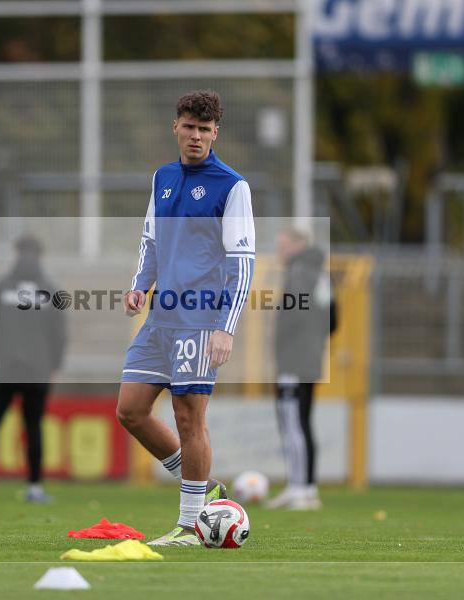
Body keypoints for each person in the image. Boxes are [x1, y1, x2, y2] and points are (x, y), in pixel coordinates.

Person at [116, 90, 256, 546]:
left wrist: (225, 327)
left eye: (204, 129)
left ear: (216, 133)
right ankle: (204, 490)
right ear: (175, 127)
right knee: (131, 411)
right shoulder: (162, 178)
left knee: (188, 417)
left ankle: (192, 523)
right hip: (160, 318)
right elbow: (151, 240)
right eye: (189, 127)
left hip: (201, 319)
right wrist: (140, 285)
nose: (196, 136)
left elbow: (243, 262)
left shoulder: (232, 186)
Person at [0, 235, 67, 502]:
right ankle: (34, 486)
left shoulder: (0, 287)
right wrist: (55, 365)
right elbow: (58, 333)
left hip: (4, 366)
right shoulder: (50, 290)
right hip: (37, 368)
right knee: (33, 426)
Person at [268, 228, 337, 510]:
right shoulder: (322, 274)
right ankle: (306, 487)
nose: (279, 251)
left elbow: (290, 316)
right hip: (311, 358)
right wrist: (315, 340)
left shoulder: (298, 273)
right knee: (304, 423)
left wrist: (282, 346)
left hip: (293, 360)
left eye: (282, 245)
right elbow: (334, 320)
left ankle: (298, 488)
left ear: (298, 245)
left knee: (293, 423)